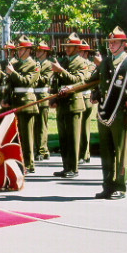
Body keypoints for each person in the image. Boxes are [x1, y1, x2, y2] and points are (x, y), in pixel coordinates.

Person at [89, 26, 127, 199]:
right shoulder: (106, 61)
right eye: (110, 42)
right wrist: (95, 94)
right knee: (106, 151)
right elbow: (98, 83)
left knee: (120, 150)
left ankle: (120, 186)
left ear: (124, 44)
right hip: (104, 110)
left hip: (120, 112)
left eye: (115, 42)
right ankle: (107, 185)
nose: (111, 45)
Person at [51, 32, 89, 178]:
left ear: (77, 48)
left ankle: (73, 168)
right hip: (62, 102)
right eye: (66, 46)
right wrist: (53, 98)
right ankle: (66, 167)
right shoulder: (64, 61)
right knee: (64, 137)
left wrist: (61, 70)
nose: (67, 48)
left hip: (74, 102)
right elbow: (56, 81)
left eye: (70, 46)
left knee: (73, 137)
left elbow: (78, 80)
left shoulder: (81, 62)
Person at [2, 35, 40, 173]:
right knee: (17, 136)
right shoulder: (16, 64)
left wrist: (12, 73)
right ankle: (19, 161)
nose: (18, 51)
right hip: (16, 102)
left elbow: (26, 82)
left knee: (27, 136)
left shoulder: (34, 64)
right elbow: (11, 85)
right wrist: (6, 99)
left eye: (22, 49)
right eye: (18, 49)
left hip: (27, 102)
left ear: (28, 50)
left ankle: (29, 164)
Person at [33, 41, 54, 160]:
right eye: (37, 50)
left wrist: (33, 75)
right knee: (35, 125)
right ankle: (39, 148)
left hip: (42, 95)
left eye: (40, 51)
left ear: (45, 52)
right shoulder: (35, 63)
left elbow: (45, 79)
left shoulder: (48, 65)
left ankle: (42, 150)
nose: (37, 52)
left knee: (41, 125)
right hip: (34, 95)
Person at [77, 40, 97, 164]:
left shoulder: (90, 65)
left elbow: (86, 79)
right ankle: (80, 153)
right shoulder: (76, 64)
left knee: (84, 127)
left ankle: (84, 154)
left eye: (79, 50)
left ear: (85, 52)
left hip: (85, 97)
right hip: (77, 98)